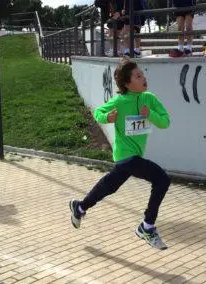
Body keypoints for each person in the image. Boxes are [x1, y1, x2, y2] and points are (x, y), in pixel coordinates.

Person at [69, 57, 171, 250]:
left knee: (109, 186)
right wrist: (108, 116)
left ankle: (80, 207)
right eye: (137, 76)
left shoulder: (150, 99)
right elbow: (98, 112)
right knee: (162, 179)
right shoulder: (120, 101)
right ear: (127, 83)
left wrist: (149, 114)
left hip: (133, 157)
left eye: (142, 74)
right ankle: (147, 226)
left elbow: (165, 122)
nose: (143, 78)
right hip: (126, 154)